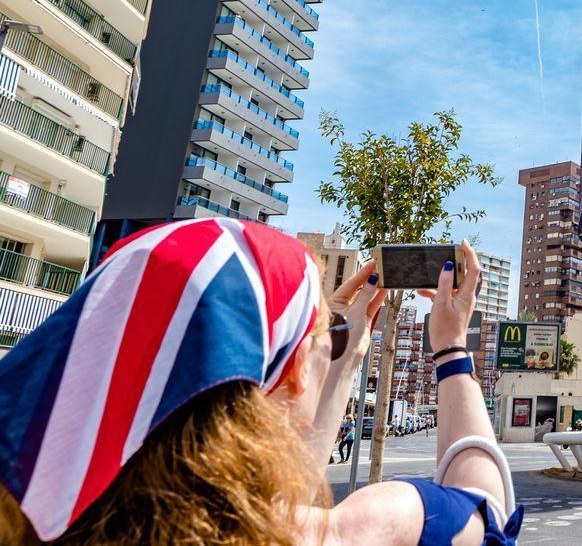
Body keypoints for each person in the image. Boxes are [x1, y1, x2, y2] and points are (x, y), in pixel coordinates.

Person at [0, 219, 522, 544]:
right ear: (293, 375)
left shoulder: (44, 515)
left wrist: (339, 354)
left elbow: (282, 485)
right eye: (325, 335)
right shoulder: (341, 532)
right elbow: (489, 516)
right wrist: (452, 347)